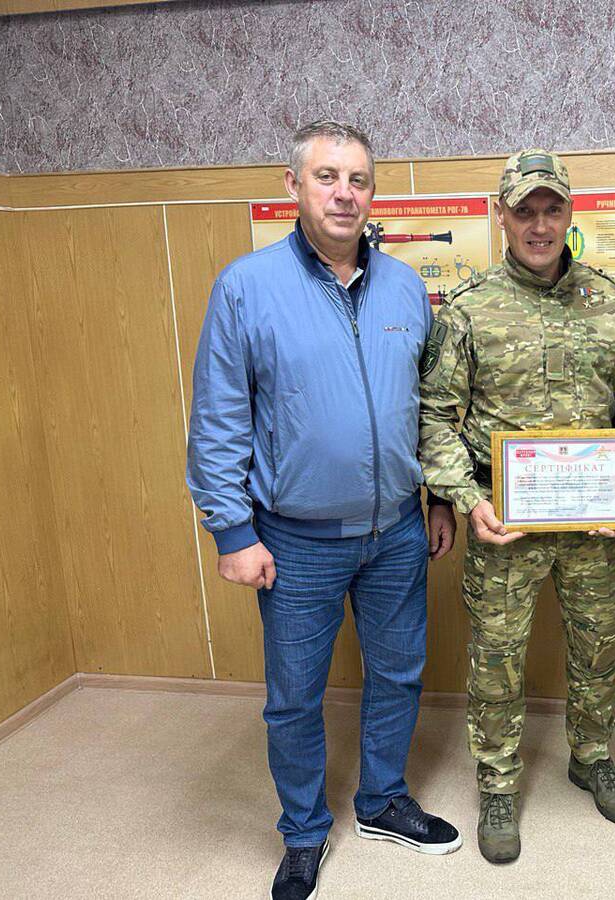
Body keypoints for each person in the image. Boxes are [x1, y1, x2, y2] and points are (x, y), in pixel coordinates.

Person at [186, 120, 462, 900]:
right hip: (294, 541)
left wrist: (439, 498)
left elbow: (430, 409)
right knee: (294, 699)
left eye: (359, 179)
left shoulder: (405, 288)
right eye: (328, 176)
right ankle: (304, 831)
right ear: (294, 185)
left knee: (399, 674)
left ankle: (381, 801)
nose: (345, 193)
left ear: (374, 193)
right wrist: (232, 531)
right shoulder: (247, 287)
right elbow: (218, 418)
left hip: (398, 531)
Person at [418, 149, 615, 864]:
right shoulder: (468, 309)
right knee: (496, 658)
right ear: (502, 217)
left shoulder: (611, 302)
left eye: (552, 209)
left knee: (598, 645)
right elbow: (434, 415)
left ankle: (592, 755)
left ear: (569, 213)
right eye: (525, 211)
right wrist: (465, 498)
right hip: (504, 522)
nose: (539, 225)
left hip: (595, 521)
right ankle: (497, 782)